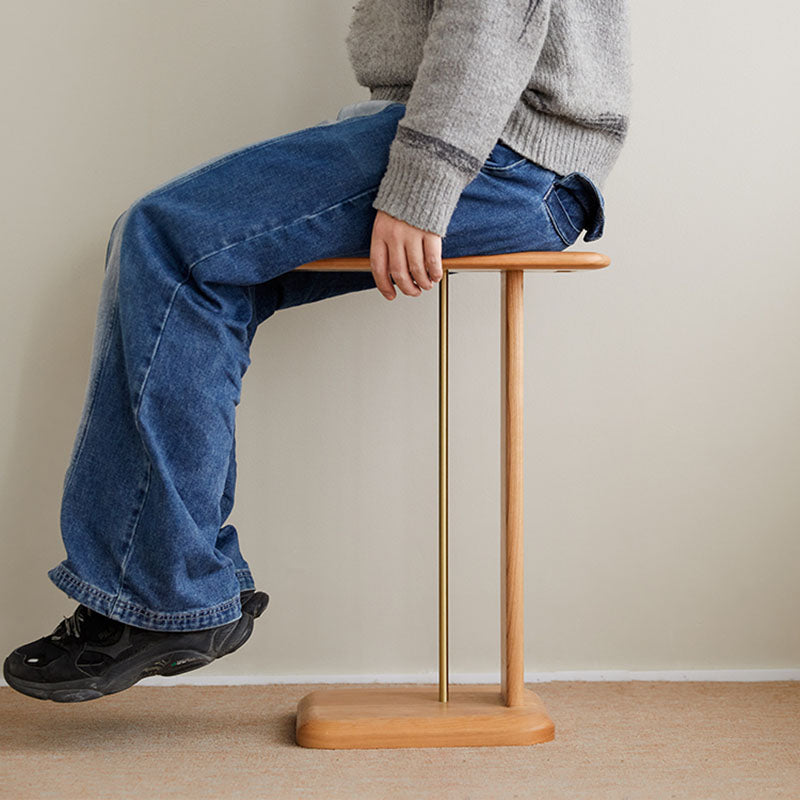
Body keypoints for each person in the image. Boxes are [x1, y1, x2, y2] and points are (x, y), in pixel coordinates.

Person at [4, 0, 631, 702]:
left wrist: (424, 181)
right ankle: (169, 591)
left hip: (505, 153)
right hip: (495, 145)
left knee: (166, 239)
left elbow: (493, 14)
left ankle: (163, 595)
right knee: (199, 270)